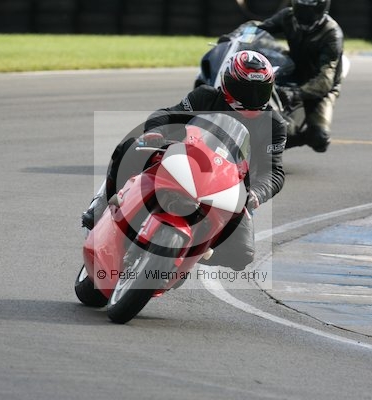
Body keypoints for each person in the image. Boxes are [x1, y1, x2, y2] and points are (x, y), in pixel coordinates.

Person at [82, 50, 288, 271]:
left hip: (229, 187)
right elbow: (168, 115)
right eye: (245, 90)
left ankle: (189, 252)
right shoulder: (205, 97)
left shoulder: (274, 124)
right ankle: (101, 206)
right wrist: (157, 132)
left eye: (260, 91)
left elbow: (273, 171)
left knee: (242, 255)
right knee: (131, 147)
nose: (253, 99)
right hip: (185, 162)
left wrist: (256, 193)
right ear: (228, 84)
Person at [258, 0, 344, 153]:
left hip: (320, 85)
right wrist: (236, 37)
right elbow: (260, 29)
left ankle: (285, 141)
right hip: (292, 70)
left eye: (309, 11)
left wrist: (296, 93)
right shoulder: (287, 16)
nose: (304, 15)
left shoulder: (332, 34)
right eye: (301, 8)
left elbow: (325, 80)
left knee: (320, 138)